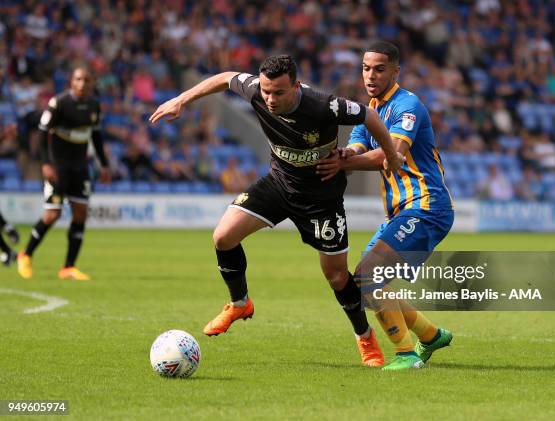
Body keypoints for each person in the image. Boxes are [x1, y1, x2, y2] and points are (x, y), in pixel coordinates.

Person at [150, 55, 404, 366]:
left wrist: (390, 154)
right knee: (223, 237)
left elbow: (369, 116)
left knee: (336, 275)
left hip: (320, 198)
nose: (270, 99)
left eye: (279, 93)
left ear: (296, 86)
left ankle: (365, 338)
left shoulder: (324, 105)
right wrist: (181, 99)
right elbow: (226, 76)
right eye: (267, 91)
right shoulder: (256, 90)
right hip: (279, 184)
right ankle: (239, 303)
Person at [317, 41, 454, 370]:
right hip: (402, 211)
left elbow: (390, 154)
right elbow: (358, 146)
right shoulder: (370, 111)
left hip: (426, 206)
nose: (370, 75)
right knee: (366, 283)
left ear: (395, 71)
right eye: (366, 68)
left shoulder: (409, 106)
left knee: (367, 277)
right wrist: (342, 157)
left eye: (379, 68)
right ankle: (430, 335)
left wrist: (346, 164)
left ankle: (407, 356)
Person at [17, 67, 111, 281]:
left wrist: (104, 165)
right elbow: (42, 133)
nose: (82, 83)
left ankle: (68, 267)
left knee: (80, 212)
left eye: (86, 80)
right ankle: (26, 254)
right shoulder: (59, 103)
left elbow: (95, 136)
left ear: (92, 83)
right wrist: (45, 164)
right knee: (53, 214)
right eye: (78, 79)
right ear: (71, 81)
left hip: (80, 167)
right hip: (58, 167)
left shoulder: (94, 106)